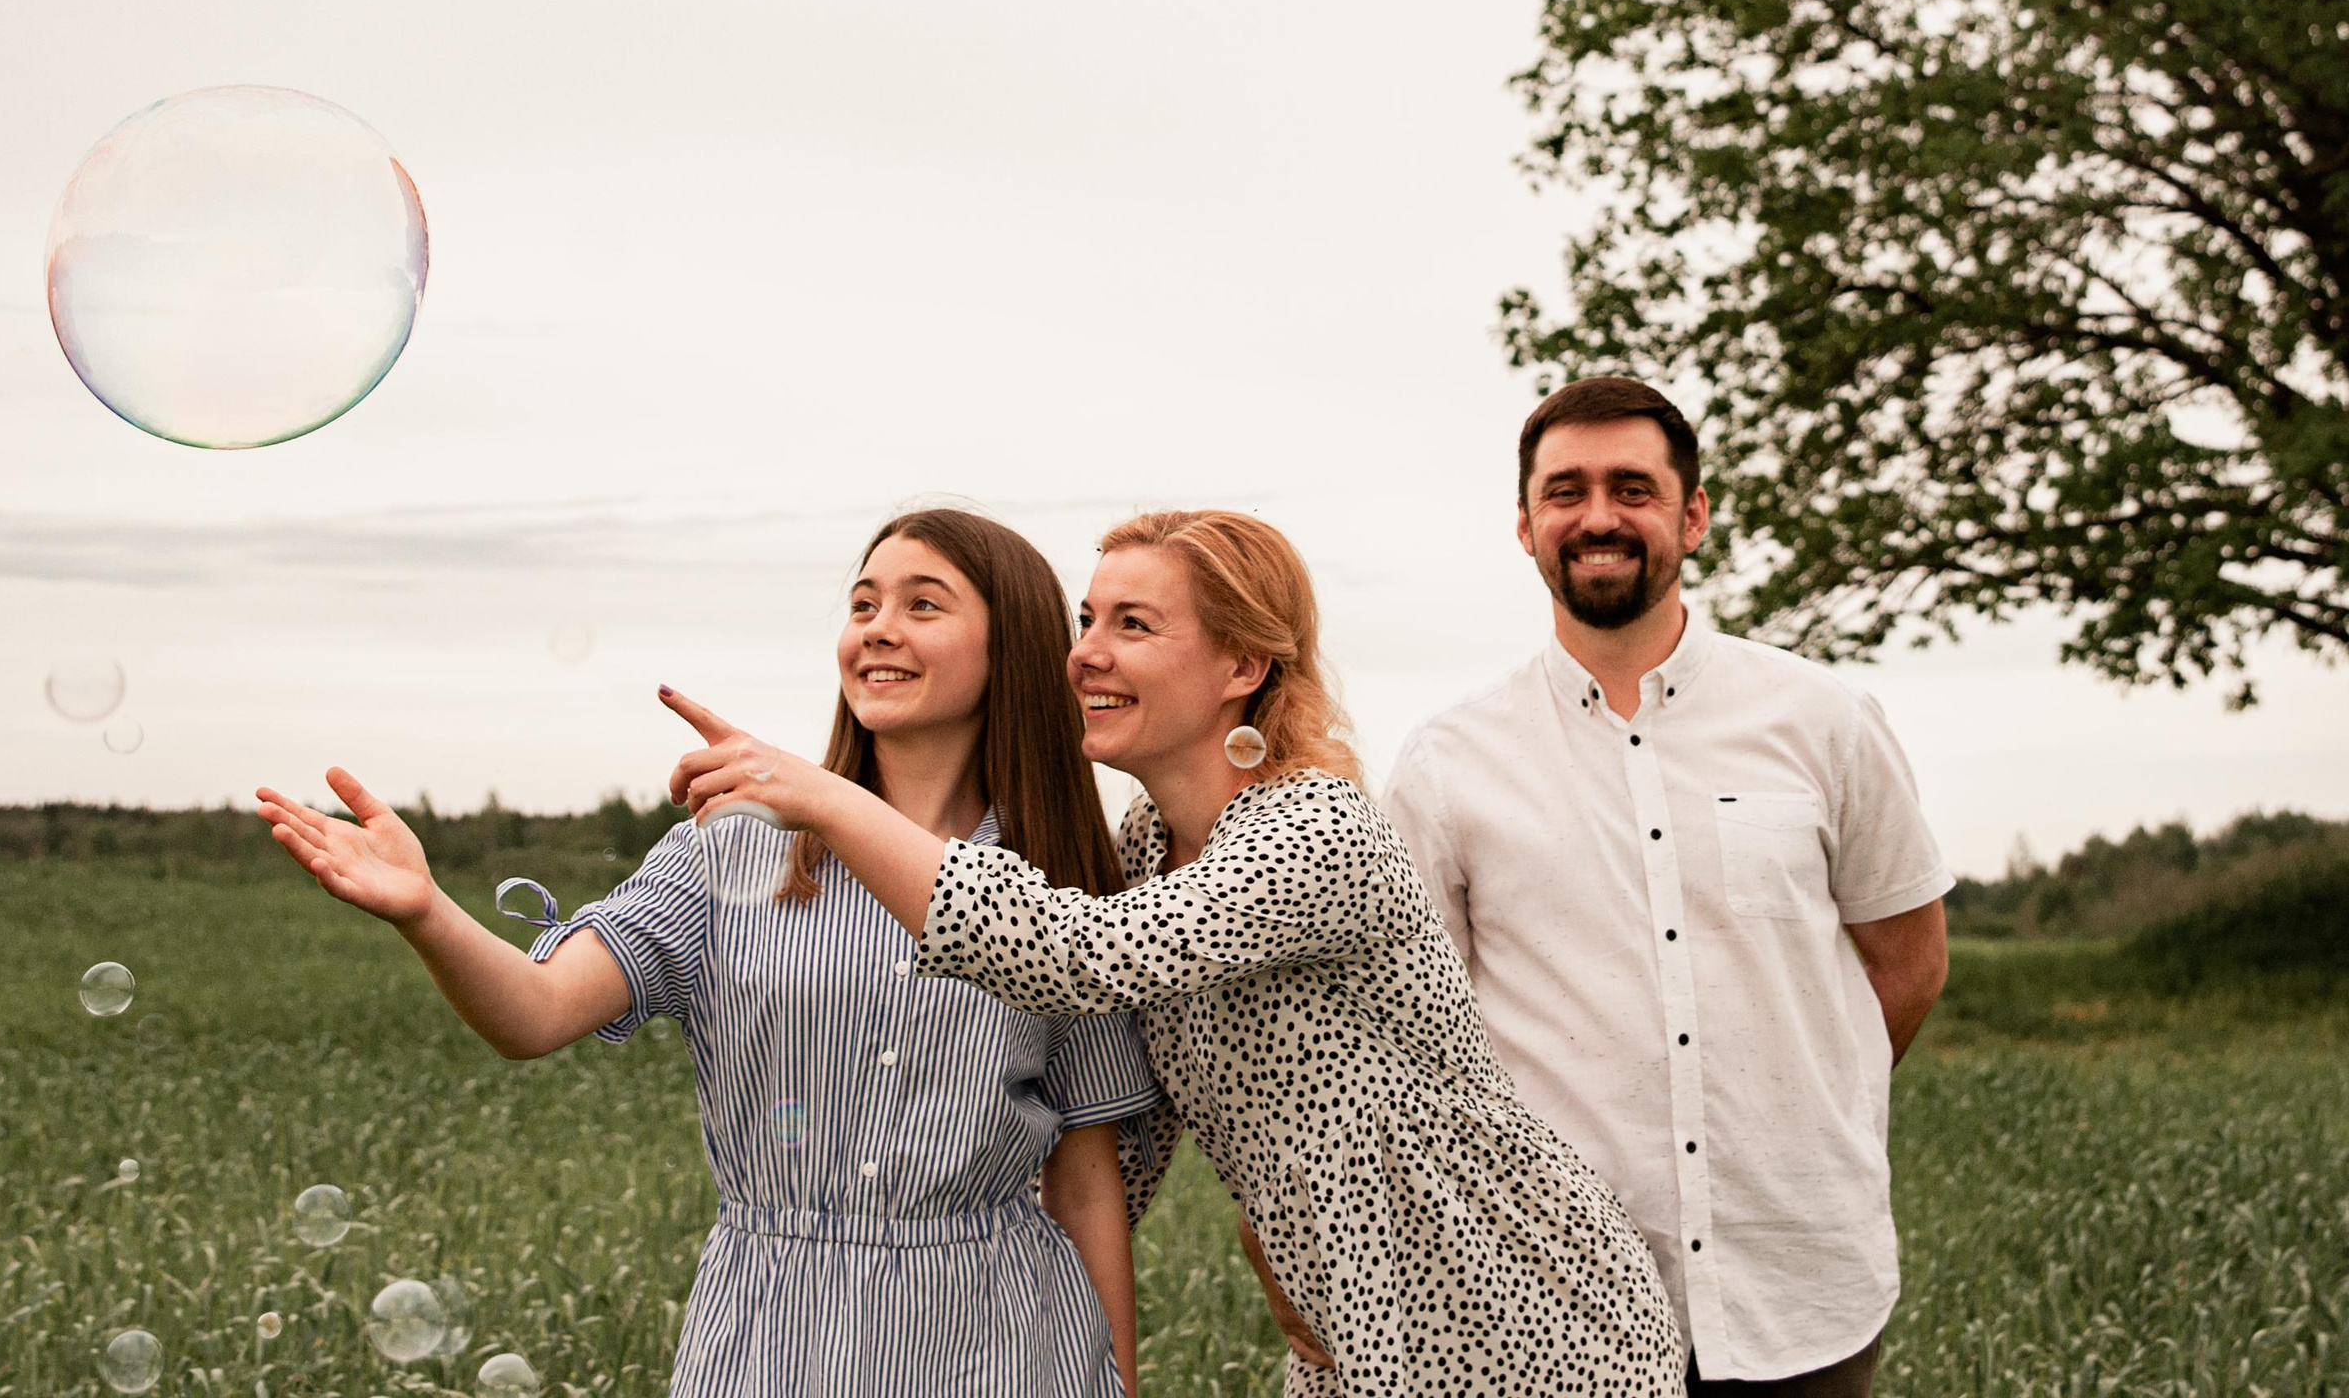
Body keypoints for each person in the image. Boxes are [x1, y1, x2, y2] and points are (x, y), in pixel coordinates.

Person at [664, 508, 1688, 1398]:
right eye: (1087, 620)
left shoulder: (1314, 830)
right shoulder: (1149, 846)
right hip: (1348, 1317)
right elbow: (1127, 1130)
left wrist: (825, 797)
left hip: (1524, 1308)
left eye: (1133, 624)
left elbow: (1074, 954)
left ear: (1243, 666)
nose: (1085, 653)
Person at [254, 508, 1156, 1398]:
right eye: (863, 604)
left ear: (1013, 646)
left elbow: (1085, 1185)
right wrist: (425, 912)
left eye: (923, 604)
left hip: (1000, 1344)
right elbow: (535, 1012)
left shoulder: (1058, 894)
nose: (879, 629)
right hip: (771, 1339)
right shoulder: (729, 851)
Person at [1381, 378, 1953, 1397]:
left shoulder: (1824, 719)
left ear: (1692, 516)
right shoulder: (1445, 762)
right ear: (1525, 525)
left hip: (1803, 1290)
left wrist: (1805, 1114)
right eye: (1565, 491)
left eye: (1632, 488)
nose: (1598, 516)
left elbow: (1908, 961)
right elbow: (1419, 1036)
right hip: (1555, 1307)